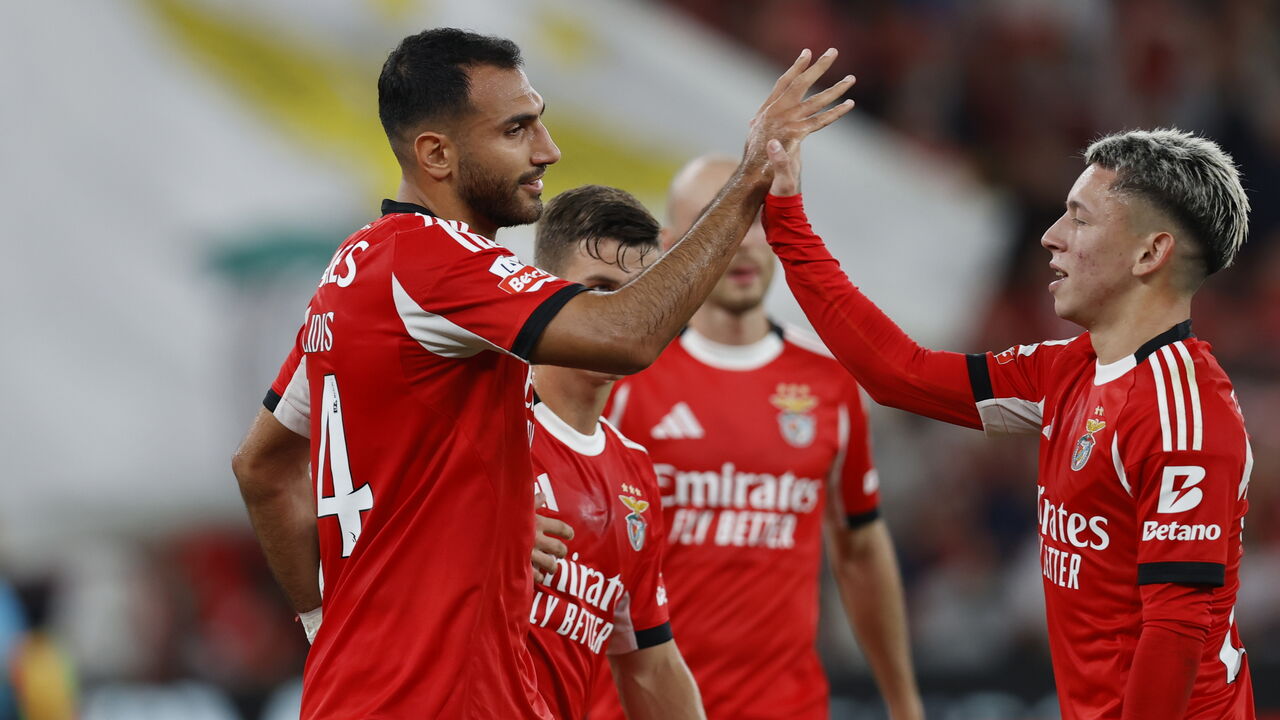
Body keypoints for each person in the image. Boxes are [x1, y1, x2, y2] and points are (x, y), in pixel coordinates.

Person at [229, 27, 856, 720]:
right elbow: (626, 334)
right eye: (517, 130)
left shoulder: (355, 270)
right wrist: (749, 183)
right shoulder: (434, 263)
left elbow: (262, 466)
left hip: (367, 694)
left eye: (540, 121)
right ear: (436, 153)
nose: (547, 151)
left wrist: (324, 625)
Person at [759, 129, 1254, 720]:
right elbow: (897, 374)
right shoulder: (1066, 371)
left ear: (1150, 254)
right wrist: (786, 218)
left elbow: (1175, 633)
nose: (1051, 238)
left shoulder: (1183, 414)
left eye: (1080, 219)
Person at [588, 156, 923, 720]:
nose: (741, 242)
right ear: (672, 245)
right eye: (716, 222)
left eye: (754, 220)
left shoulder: (830, 382)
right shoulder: (619, 379)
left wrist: (904, 704)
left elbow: (860, 549)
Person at [523, 185, 704, 720]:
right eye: (599, 289)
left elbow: (648, 663)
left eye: (638, 292)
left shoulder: (635, 472)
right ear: (541, 288)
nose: (623, 313)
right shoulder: (481, 417)